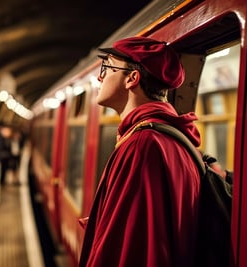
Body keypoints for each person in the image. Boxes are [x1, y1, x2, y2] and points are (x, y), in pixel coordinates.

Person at [79, 37, 201, 267]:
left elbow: (130, 248)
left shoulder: (142, 144)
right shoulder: (167, 136)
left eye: (107, 67)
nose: (99, 77)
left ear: (132, 79)